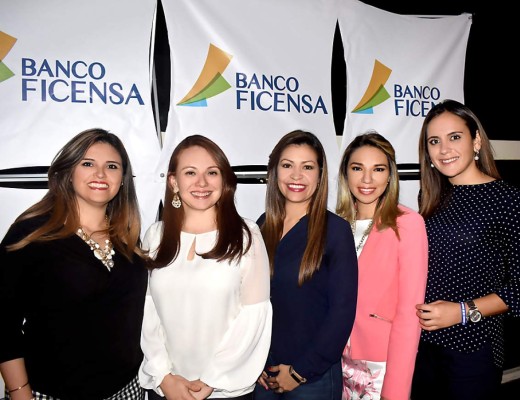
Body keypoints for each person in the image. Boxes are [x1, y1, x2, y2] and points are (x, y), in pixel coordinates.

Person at [0, 128, 148, 400]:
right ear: (68, 173)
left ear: (122, 179)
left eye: (111, 166)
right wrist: (20, 392)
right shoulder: (31, 233)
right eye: (88, 163)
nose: (101, 174)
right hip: (50, 393)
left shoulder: (128, 236)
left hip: (128, 390)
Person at [410, 99, 520, 400]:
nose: (444, 150)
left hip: (473, 349)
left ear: (476, 140)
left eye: (455, 137)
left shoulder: (508, 200)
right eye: (434, 141)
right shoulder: (429, 197)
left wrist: (462, 312)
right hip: (421, 346)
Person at [139, 134, 272, 400]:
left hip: (225, 390)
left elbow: (254, 317)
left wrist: (212, 380)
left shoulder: (247, 235)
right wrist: (164, 376)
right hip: (166, 388)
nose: (202, 182)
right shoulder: (155, 236)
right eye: (190, 173)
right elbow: (147, 312)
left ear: (224, 181)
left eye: (212, 172)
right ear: (174, 182)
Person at [254, 129, 358, 400]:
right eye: (287, 165)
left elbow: (343, 312)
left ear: (320, 175)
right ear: (275, 171)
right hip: (263, 375)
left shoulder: (335, 230)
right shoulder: (262, 226)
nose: (296, 176)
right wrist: (257, 361)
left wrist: (301, 371)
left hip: (313, 380)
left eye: (307, 167)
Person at [336, 131, 428, 400]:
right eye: (357, 168)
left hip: (380, 366)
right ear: (346, 174)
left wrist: (396, 391)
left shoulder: (408, 224)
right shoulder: (336, 224)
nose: (367, 179)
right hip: (334, 362)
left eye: (378, 169)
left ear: (390, 176)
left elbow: (410, 314)